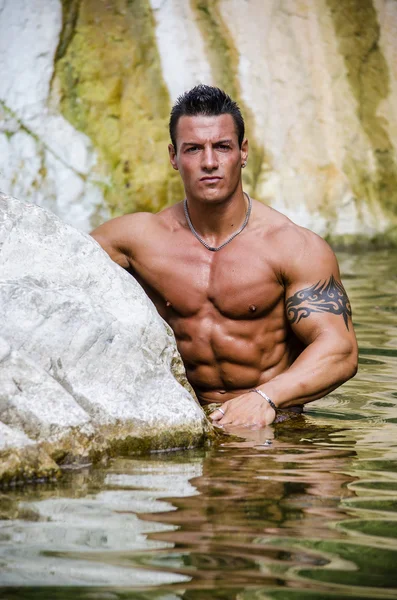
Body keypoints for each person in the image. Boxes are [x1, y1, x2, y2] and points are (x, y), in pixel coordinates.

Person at [91, 85, 358, 428]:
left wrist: (264, 398)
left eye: (222, 147)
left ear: (243, 152)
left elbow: (340, 351)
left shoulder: (293, 247)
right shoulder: (134, 241)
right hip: (181, 420)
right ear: (173, 157)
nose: (209, 162)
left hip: (272, 426)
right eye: (193, 149)